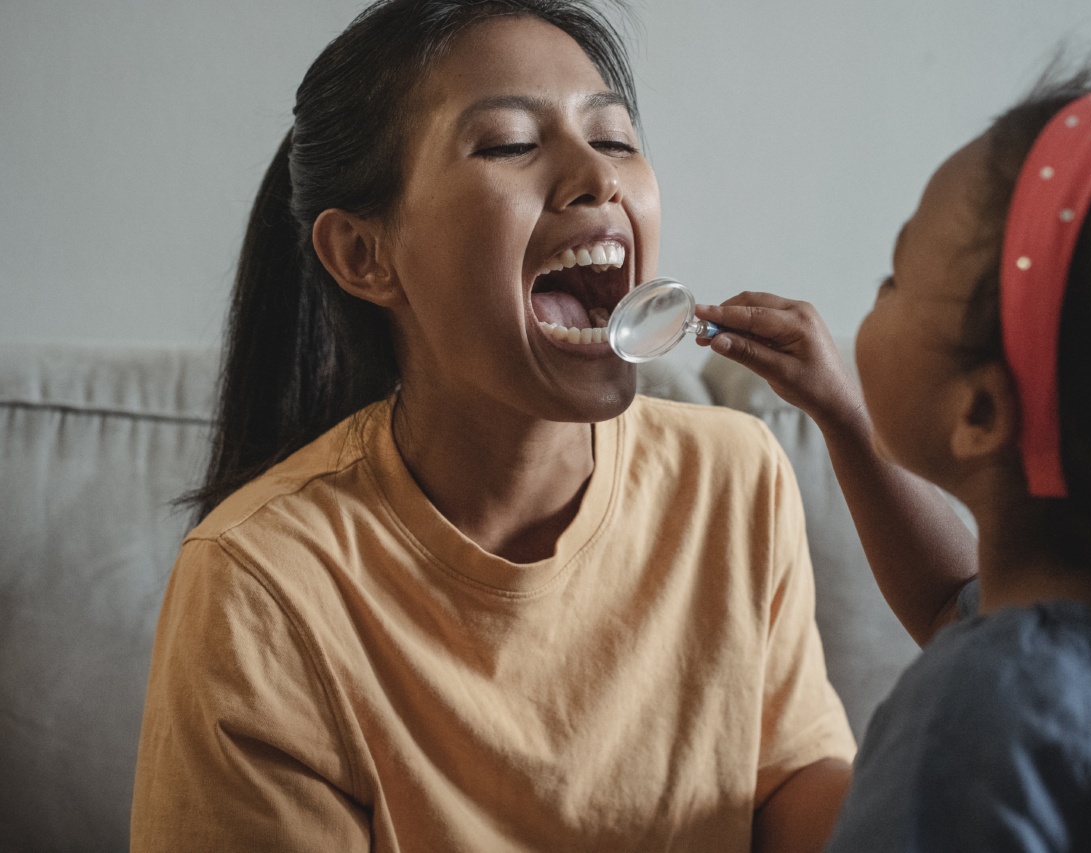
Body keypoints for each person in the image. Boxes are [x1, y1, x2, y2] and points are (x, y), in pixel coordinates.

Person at [129, 1, 862, 850]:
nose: (598, 178)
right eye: (510, 142)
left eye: (616, 138)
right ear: (366, 256)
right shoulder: (262, 584)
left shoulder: (734, 475)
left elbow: (789, 783)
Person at [697, 61, 1091, 850]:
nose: (874, 298)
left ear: (979, 411)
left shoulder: (965, 723)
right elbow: (956, 607)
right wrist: (842, 413)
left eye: (893, 278)